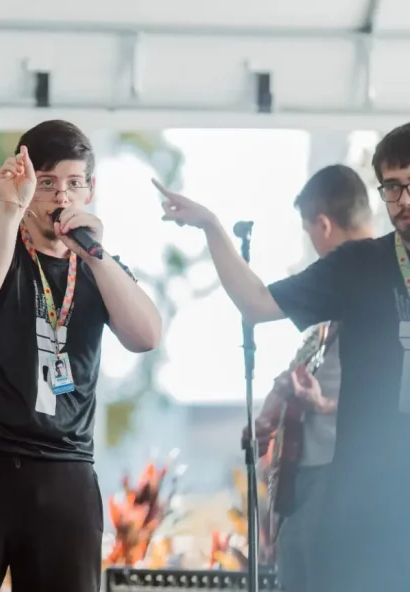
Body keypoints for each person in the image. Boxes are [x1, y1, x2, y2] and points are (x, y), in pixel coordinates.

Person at [154, 126, 410, 592]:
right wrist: (212, 226)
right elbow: (256, 303)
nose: (404, 200)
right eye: (392, 187)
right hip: (366, 511)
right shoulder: (359, 264)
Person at [0, 120, 162, 592]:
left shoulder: (99, 266)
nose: (60, 197)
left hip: (63, 473)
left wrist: (96, 256)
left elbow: (146, 335)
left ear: (91, 189)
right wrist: (10, 209)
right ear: (25, 182)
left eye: (73, 183)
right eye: (46, 183)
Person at [249, 165, 374, 591]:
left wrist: (322, 404)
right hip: (303, 482)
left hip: (348, 483)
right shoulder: (330, 307)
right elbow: (308, 367)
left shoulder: (382, 288)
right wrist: (278, 401)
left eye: (309, 232)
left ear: (323, 225)